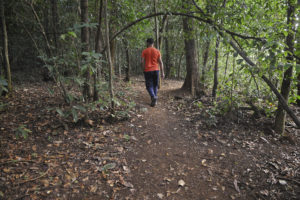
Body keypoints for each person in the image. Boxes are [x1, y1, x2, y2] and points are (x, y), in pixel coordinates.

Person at [141, 38, 164, 107]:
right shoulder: (157, 51)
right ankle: (154, 99)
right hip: (156, 70)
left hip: (148, 70)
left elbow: (142, 62)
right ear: (153, 43)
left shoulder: (145, 51)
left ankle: (153, 96)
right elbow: (160, 62)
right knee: (155, 85)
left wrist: (143, 69)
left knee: (149, 86)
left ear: (147, 43)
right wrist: (163, 72)